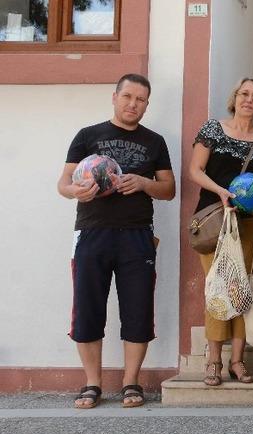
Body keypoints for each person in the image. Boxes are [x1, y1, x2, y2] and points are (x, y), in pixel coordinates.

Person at [57, 73, 176, 408]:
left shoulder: (155, 141)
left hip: (137, 236)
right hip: (92, 233)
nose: (132, 104)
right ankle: (92, 383)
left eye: (140, 100)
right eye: (127, 97)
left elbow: (168, 189)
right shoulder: (88, 136)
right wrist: (76, 190)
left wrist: (142, 183)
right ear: (115, 97)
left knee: (138, 309)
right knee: (87, 309)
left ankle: (131, 383)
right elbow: (63, 184)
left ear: (146, 105)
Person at [189, 78, 253, 387]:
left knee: (244, 291)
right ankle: (213, 360)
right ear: (235, 97)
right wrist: (221, 192)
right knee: (220, 288)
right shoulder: (213, 130)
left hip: (249, 224)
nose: (249, 99)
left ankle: (237, 361)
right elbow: (195, 170)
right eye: (244, 93)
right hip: (216, 221)